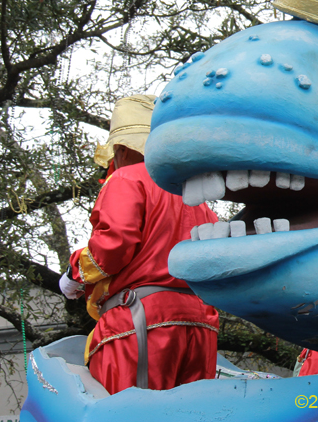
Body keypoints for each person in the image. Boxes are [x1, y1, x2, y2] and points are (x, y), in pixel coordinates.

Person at [58, 94, 220, 393]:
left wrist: (75, 273)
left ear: (121, 149)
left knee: (127, 409)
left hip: (140, 319)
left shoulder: (126, 178)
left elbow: (112, 246)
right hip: (201, 323)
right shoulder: (195, 197)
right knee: (194, 411)